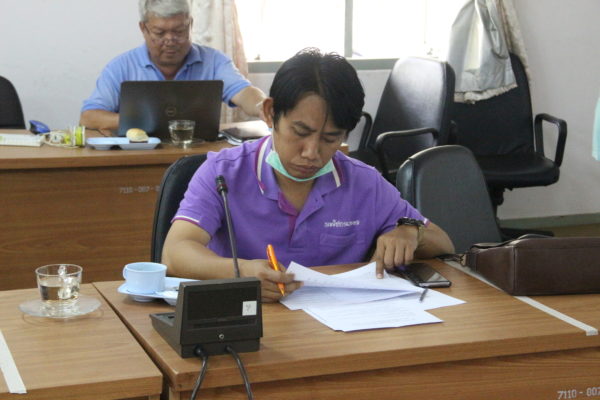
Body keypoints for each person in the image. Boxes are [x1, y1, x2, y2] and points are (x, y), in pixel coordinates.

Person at [162, 48, 455, 302]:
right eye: (300, 132)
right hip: (250, 321)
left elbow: (444, 243)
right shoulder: (223, 173)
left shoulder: (363, 182)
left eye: (330, 138)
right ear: (270, 113)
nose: (312, 152)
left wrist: (410, 232)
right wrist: (241, 272)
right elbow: (175, 252)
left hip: (339, 328)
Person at [79, 0, 265, 131]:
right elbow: (88, 117)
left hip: (198, 155)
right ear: (143, 28)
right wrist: (144, 121)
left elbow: (245, 93)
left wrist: (264, 106)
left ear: (190, 24)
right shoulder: (121, 67)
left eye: (179, 31)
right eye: (160, 33)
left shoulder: (214, 61)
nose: (170, 40)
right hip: (139, 155)